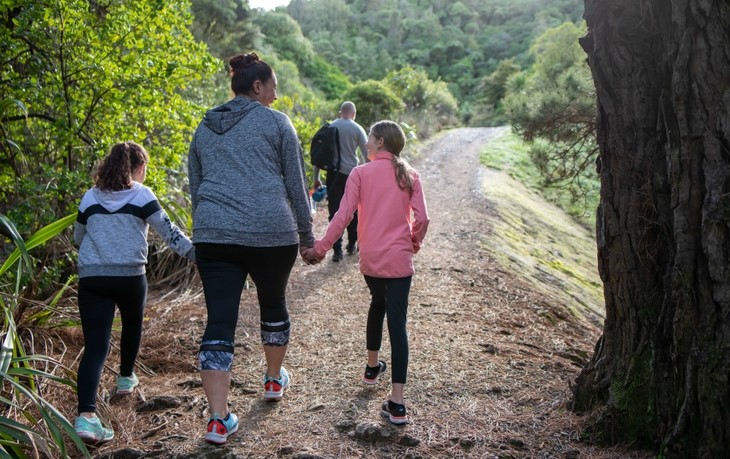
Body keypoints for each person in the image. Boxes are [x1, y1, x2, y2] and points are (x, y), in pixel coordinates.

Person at [188, 52, 317, 445]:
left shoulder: (204, 125)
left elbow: (196, 183)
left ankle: (217, 419)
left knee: (219, 320)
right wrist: (307, 235)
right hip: (270, 232)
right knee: (273, 302)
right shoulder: (277, 122)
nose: (276, 96)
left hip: (213, 234)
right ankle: (274, 381)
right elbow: (296, 183)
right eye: (274, 87)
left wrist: (210, 222)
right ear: (257, 86)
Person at [306, 120, 430, 425]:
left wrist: (321, 248)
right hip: (400, 260)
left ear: (380, 143)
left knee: (378, 303)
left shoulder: (360, 173)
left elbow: (343, 215)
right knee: (397, 323)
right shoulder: (410, 175)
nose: (366, 144)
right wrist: (412, 242)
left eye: (370, 139)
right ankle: (397, 404)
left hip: (371, 260)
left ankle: (372, 367)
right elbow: (423, 219)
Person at [73, 141, 195, 443]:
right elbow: (170, 233)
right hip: (129, 276)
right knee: (131, 325)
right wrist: (199, 255)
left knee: (96, 346)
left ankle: (86, 417)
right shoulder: (142, 194)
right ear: (139, 168)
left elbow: (78, 237)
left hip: (93, 277)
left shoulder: (90, 197)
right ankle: (126, 379)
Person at [312, 101, 368, 261]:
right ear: (354, 113)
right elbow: (367, 156)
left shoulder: (330, 127)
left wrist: (316, 178)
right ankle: (351, 244)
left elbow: (319, 155)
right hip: (352, 175)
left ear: (340, 112)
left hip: (333, 175)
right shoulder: (357, 129)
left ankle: (337, 251)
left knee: (335, 211)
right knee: (353, 210)